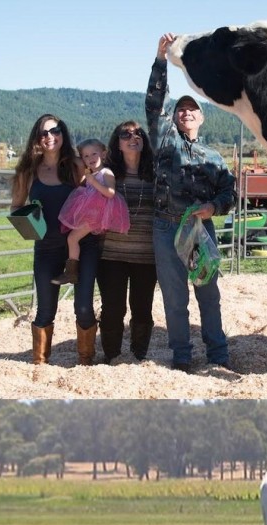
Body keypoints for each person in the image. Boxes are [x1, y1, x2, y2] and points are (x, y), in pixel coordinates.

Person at [146, 32, 236, 372]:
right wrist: (161, 59)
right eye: (181, 108)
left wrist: (214, 207)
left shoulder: (213, 156)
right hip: (166, 227)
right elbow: (156, 103)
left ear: (201, 118)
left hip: (201, 230)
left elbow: (229, 193)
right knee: (174, 299)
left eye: (192, 109)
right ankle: (182, 357)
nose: (185, 112)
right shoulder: (164, 142)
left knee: (209, 296)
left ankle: (218, 355)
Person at [10, 114, 100, 365]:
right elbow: (16, 207)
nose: (50, 136)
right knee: (45, 310)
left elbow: (96, 194)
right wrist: (28, 223)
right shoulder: (27, 171)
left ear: (63, 133)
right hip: (46, 247)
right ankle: (39, 364)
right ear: (36, 139)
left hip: (82, 246)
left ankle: (85, 361)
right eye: (44, 133)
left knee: (83, 308)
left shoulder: (77, 165)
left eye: (55, 130)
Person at [97, 122, 157, 363]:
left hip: (146, 255)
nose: (133, 137)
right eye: (126, 134)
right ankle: (112, 355)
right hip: (111, 254)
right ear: (117, 143)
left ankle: (138, 354)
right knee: (112, 309)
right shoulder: (107, 174)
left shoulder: (155, 173)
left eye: (138, 133)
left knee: (142, 309)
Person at [54, 138, 130, 286]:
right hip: (91, 213)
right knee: (72, 237)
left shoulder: (105, 172)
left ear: (103, 154)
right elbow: (76, 161)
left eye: (94, 154)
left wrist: (93, 182)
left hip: (96, 215)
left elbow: (110, 193)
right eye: (86, 156)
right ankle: (72, 271)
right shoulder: (91, 173)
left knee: (72, 238)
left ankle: (71, 272)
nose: (90, 158)